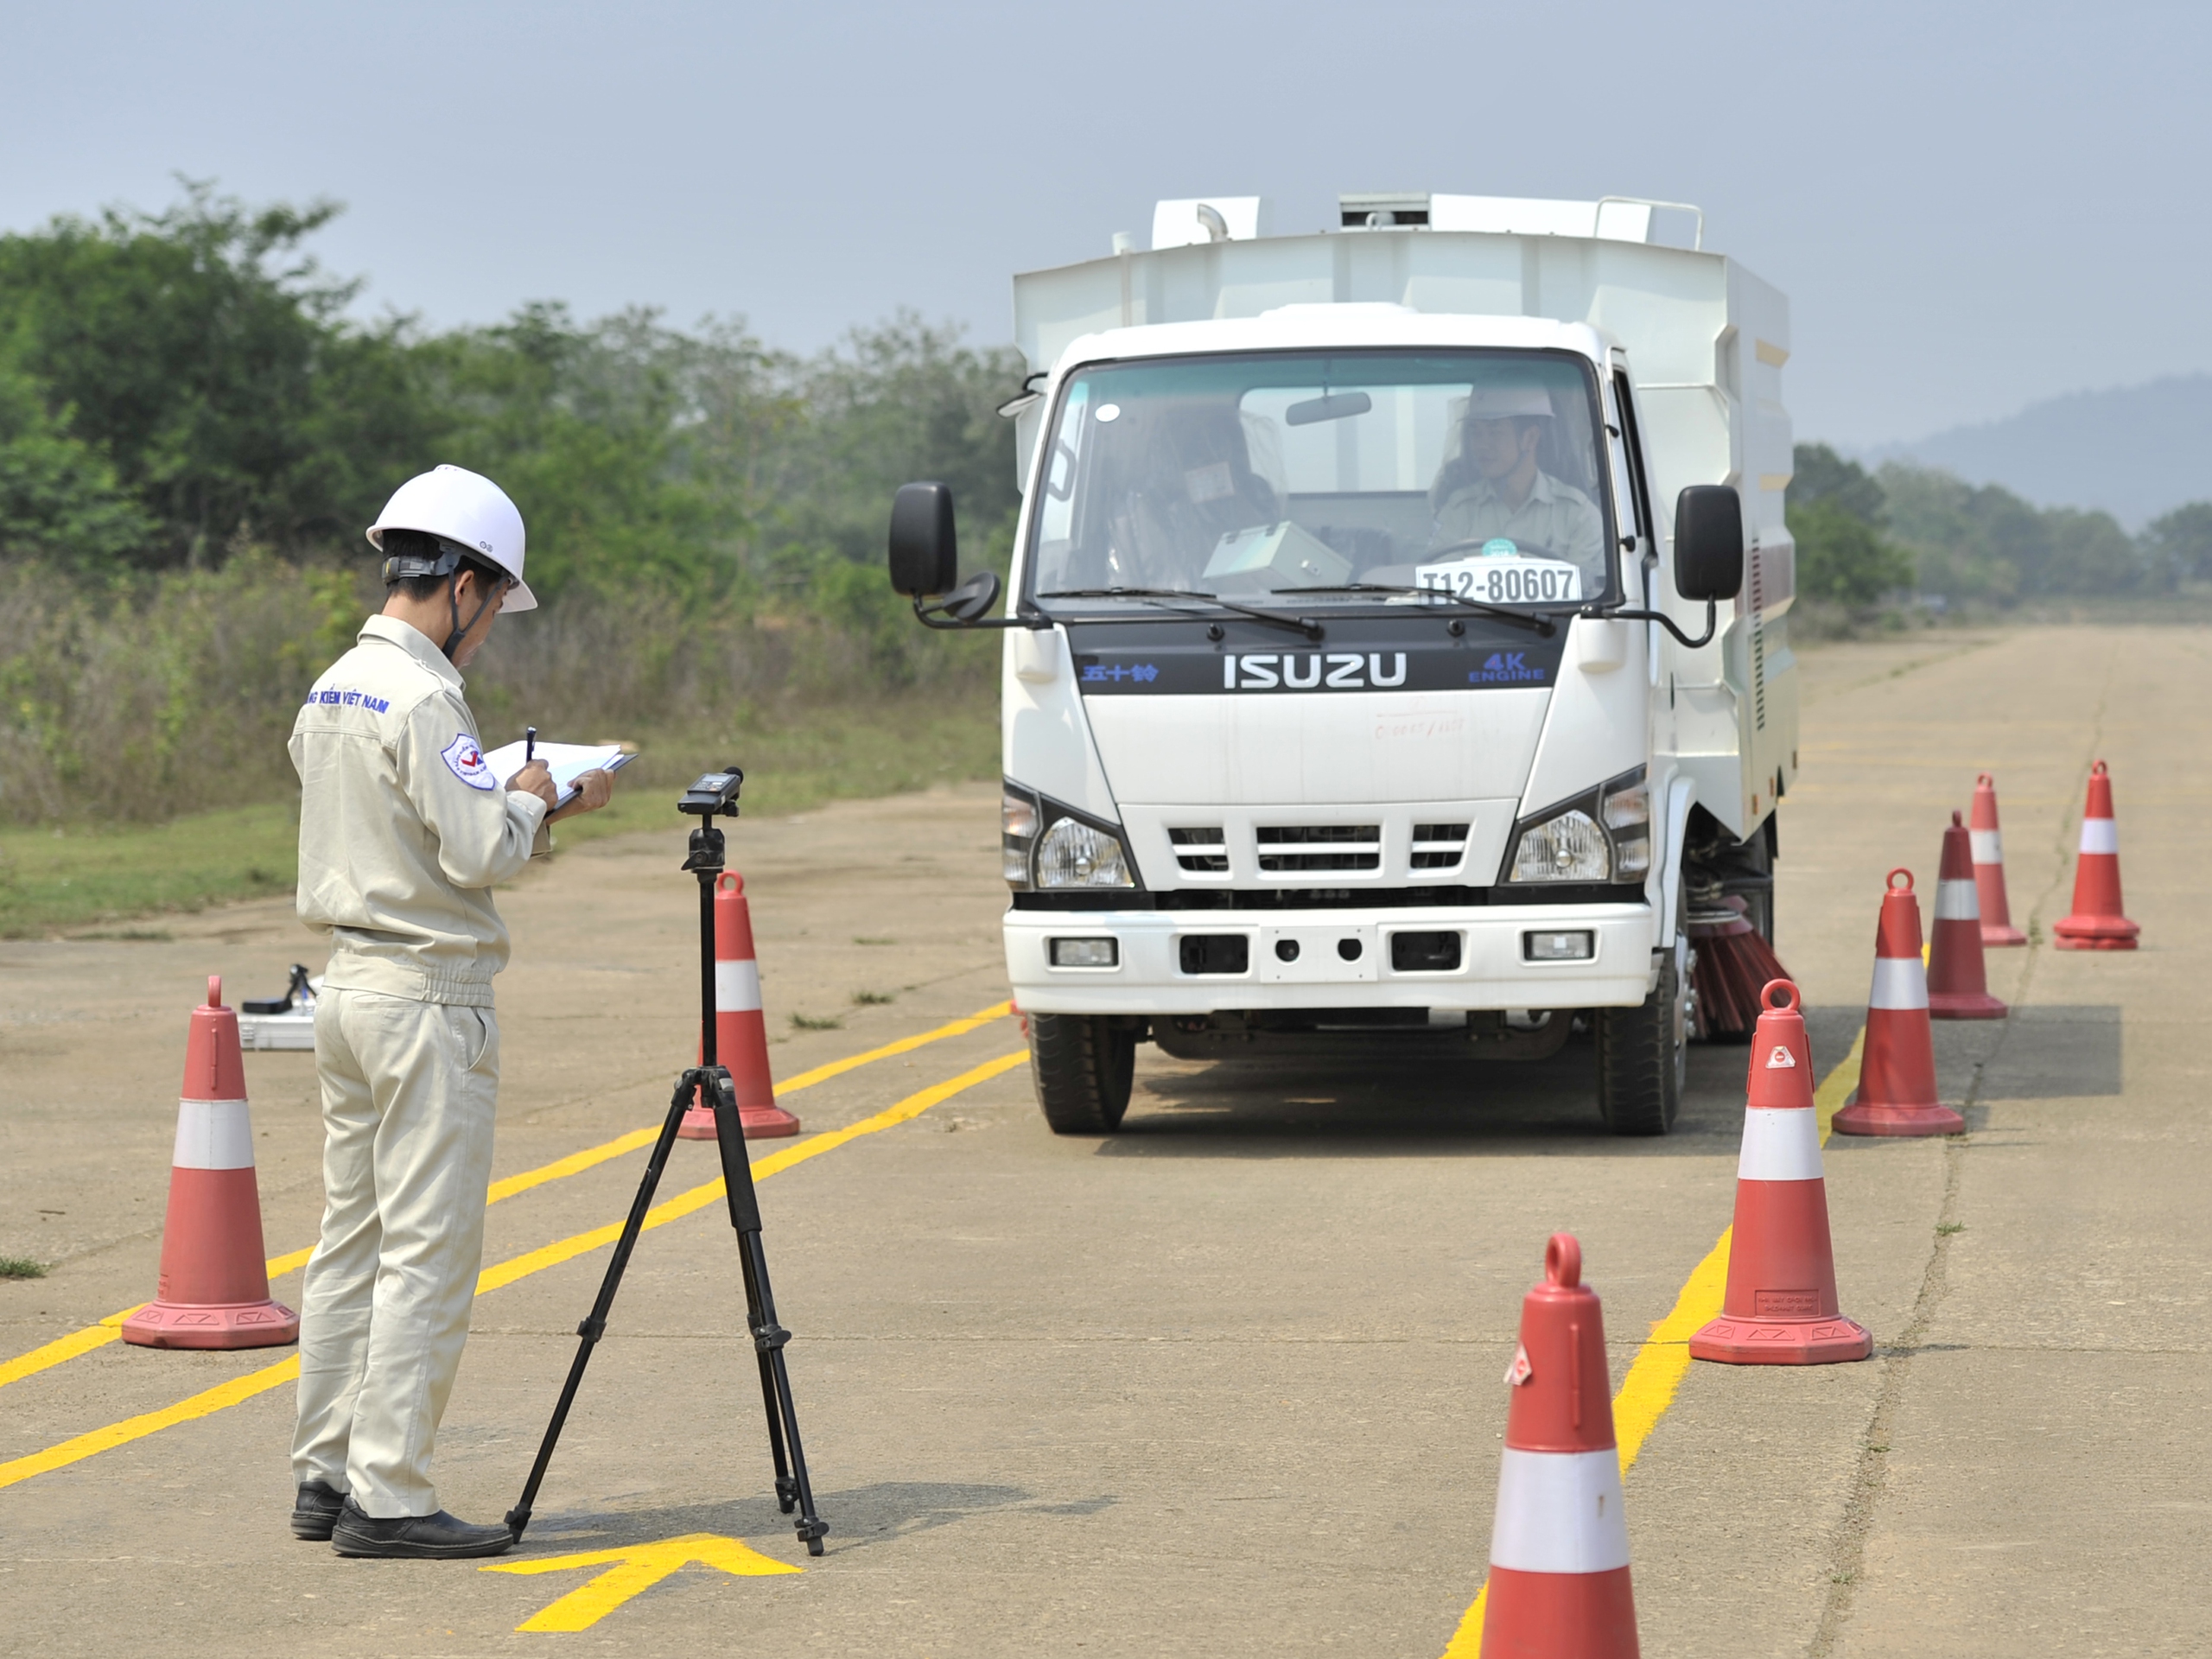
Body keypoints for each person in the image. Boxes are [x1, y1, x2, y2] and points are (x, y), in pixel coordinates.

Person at [286, 463, 613, 1560]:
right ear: (464, 584)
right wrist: (539, 795)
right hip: (428, 998)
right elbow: (475, 851)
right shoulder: (427, 698)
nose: (488, 634)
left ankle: (324, 1476)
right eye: (492, 608)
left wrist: (499, 800)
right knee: (426, 1251)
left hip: (347, 987)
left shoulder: (334, 685)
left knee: (349, 1243)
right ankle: (390, 1497)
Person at [1428, 385, 1605, 566]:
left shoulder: (1577, 514)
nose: (1482, 445)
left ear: (1530, 438)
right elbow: (1440, 578)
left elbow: (1587, 587)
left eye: (1495, 432)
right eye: (1476, 433)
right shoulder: (1458, 511)